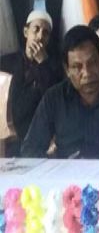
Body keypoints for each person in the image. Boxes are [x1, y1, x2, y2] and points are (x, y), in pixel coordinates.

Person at [21, 25, 99, 158]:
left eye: (92, 63)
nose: (87, 73)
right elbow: (30, 150)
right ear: (67, 69)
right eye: (77, 67)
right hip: (68, 170)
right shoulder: (54, 99)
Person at [0, 10, 63, 156]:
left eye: (45, 33)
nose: (40, 36)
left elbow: (54, 99)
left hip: (36, 143)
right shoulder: (6, 63)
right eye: (36, 30)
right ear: (25, 32)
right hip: (6, 141)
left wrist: (43, 64)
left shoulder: (54, 68)